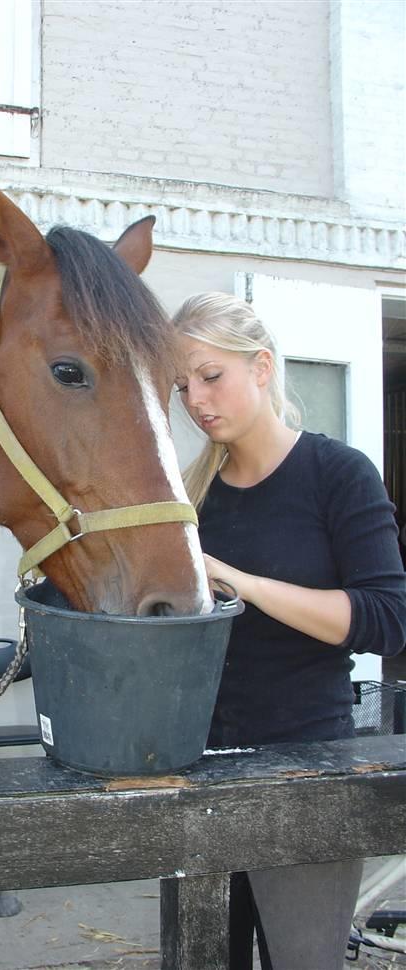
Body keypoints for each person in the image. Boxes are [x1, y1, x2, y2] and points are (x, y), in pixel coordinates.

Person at [171, 292, 406, 970]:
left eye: (210, 376)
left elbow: (387, 620)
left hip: (308, 768)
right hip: (200, 770)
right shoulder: (191, 494)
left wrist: (239, 581)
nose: (195, 398)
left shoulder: (337, 475)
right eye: (182, 385)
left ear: (263, 367)